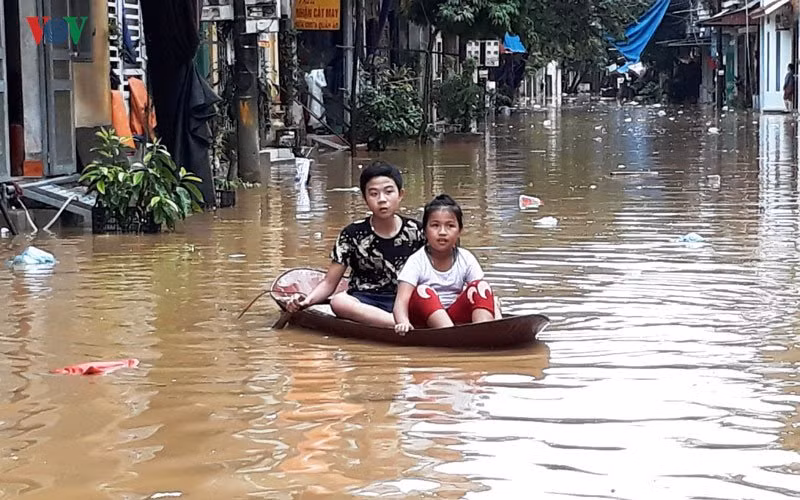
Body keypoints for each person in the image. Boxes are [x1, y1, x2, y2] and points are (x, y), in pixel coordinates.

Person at [286, 161, 425, 327]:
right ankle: (396, 324)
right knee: (339, 302)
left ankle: (403, 320)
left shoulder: (417, 231)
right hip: (366, 300)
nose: (382, 200)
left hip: (406, 298)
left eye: (389, 192)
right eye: (374, 194)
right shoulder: (351, 234)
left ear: (400, 194)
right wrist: (306, 301)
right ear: (365, 198)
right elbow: (330, 283)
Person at [393, 195, 501, 334]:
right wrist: (403, 322)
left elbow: (483, 295)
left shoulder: (466, 258)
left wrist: (498, 318)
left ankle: (484, 332)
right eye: (435, 226)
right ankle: (450, 334)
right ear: (425, 231)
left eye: (450, 226)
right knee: (423, 291)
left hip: (454, 316)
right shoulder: (416, 261)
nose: (442, 232)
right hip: (425, 320)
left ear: (459, 231)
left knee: (481, 286)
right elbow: (401, 302)